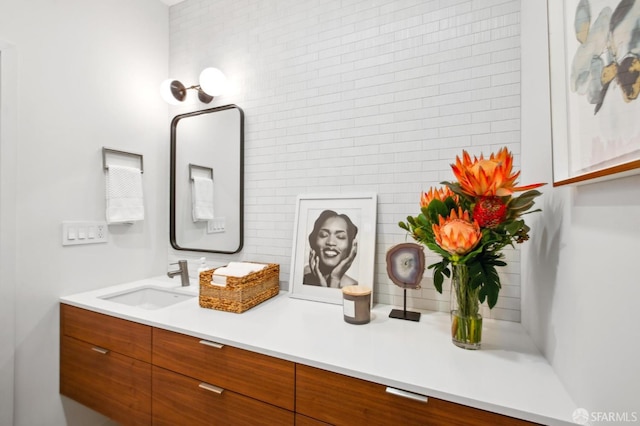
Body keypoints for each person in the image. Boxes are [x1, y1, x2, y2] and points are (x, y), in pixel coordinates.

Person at [303, 210, 358, 288]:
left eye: (340, 237)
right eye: (323, 235)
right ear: (314, 240)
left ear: (351, 245)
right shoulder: (301, 277)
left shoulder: (354, 288)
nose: (331, 242)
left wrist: (335, 279)